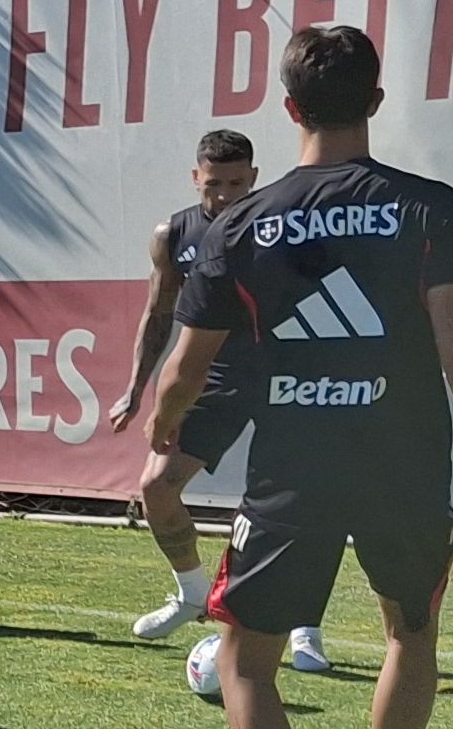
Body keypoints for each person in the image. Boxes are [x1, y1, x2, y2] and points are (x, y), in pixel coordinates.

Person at [138, 25, 453, 729]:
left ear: (287, 110)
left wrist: (165, 435)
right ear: (378, 101)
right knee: (411, 635)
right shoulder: (432, 206)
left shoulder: (241, 220)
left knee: (244, 663)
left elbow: (184, 368)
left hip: (296, 469)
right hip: (404, 461)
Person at [109, 132, 326, 674]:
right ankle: (190, 593)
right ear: (195, 178)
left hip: (286, 375)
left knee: (299, 504)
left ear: (253, 177)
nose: (226, 195)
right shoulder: (174, 233)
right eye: (214, 185)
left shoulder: (283, 225)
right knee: (157, 486)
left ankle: (304, 628)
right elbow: (159, 313)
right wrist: (137, 389)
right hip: (213, 377)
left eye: (236, 183)